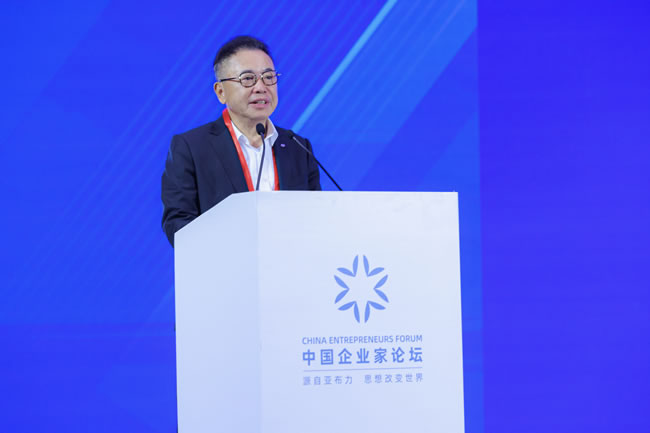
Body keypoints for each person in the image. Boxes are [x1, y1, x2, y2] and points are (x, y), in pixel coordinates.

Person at [161, 36, 321, 246]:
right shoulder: (192, 147)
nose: (261, 87)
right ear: (221, 92)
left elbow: (316, 217)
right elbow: (178, 223)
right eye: (247, 79)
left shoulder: (298, 146)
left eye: (268, 77)